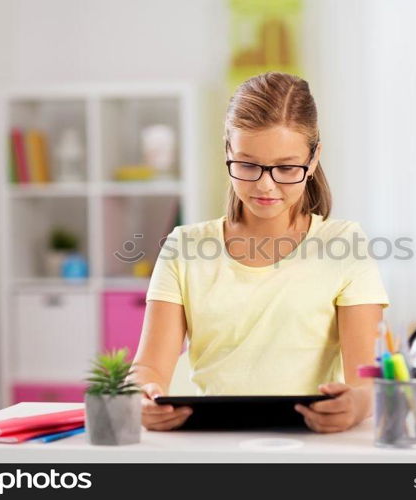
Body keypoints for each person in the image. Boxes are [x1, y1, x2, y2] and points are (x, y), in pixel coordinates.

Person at [132, 71, 389, 433]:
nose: (265, 185)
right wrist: (142, 395)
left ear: (313, 159)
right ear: (227, 151)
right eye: (248, 165)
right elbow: (148, 369)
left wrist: (359, 404)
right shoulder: (184, 247)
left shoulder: (344, 244)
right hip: (210, 443)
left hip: (312, 445)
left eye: (286, 168)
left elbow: (369, 379)